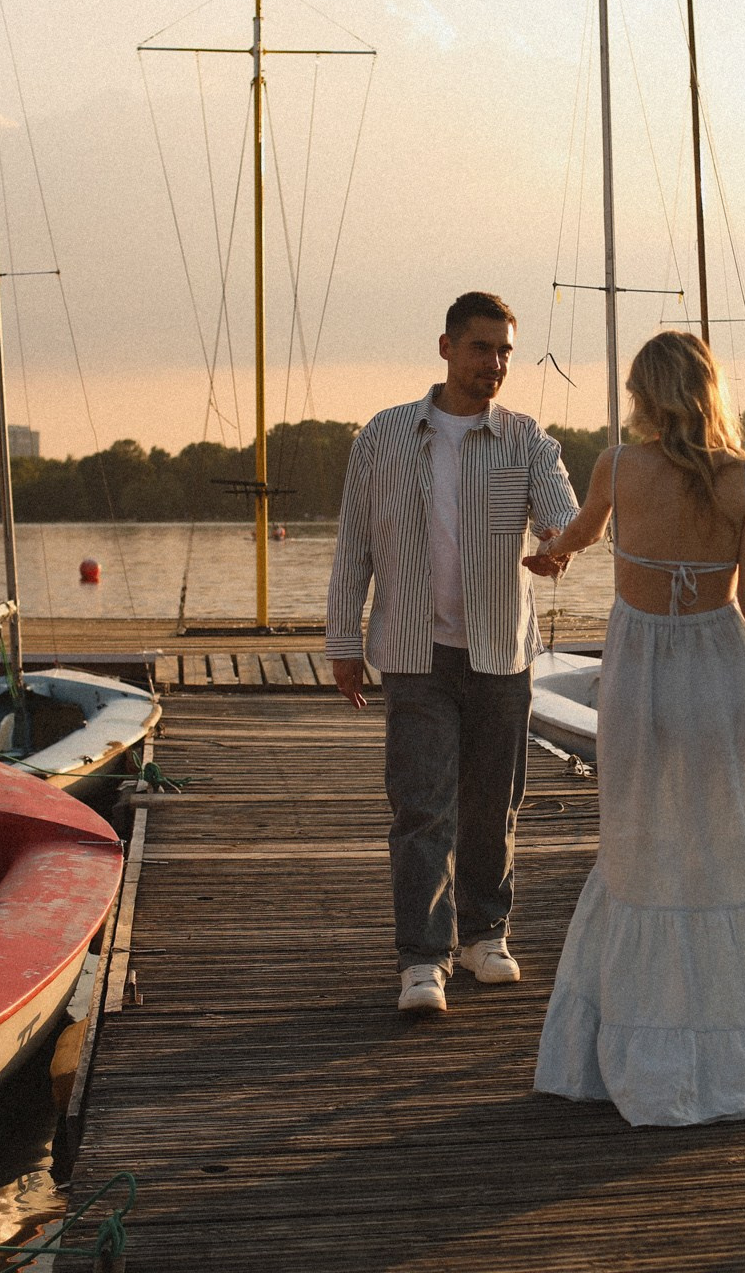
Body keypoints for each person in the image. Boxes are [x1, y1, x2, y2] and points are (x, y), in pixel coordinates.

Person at [526, 331, 745, 1126]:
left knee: (638, 840)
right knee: (725, 844)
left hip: (640, 668)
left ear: (644, 394)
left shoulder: (616, 466)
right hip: (720, 665)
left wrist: (553, 553)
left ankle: (639, 1041)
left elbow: (581, 532)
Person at [326, 292, 581, 1016]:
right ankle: (422, 958)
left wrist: (557, 547)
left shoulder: (528, 441)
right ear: (446, 347)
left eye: (505, 351)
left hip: (501, 652)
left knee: (494, 804)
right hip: (415, 652)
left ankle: (484, 935)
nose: (494, 363)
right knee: (421, 808)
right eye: (481, 348)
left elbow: (563, 517)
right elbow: (353, 546)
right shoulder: (382, 436)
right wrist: (343, 642)